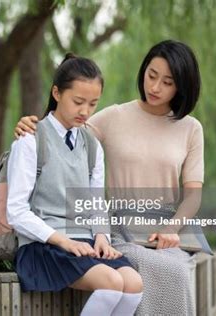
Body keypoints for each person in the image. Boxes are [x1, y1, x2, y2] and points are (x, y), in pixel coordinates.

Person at [14, 40, 204, 315]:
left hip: (164, 232)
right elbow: (62, 129)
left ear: (182, 85)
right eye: (152, 75)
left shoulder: (191, 129)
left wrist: (172, 229)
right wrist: (27, 127)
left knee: (176, 271)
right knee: (135, 268)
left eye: (167, 82)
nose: (155, 87)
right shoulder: (113, 116)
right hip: (119, 230)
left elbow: (193, 195)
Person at [7, 53, 143, 316]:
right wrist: (64, 242)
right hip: (43, 246)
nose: (85, 111)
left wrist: (102, 237)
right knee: (112, 283)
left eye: (93, 104)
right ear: (56, 93)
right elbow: (16, 211)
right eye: (78, 101)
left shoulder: (92, 146)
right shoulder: (30, 140)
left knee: (134, 284)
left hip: (84, 243)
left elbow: (96, 204)